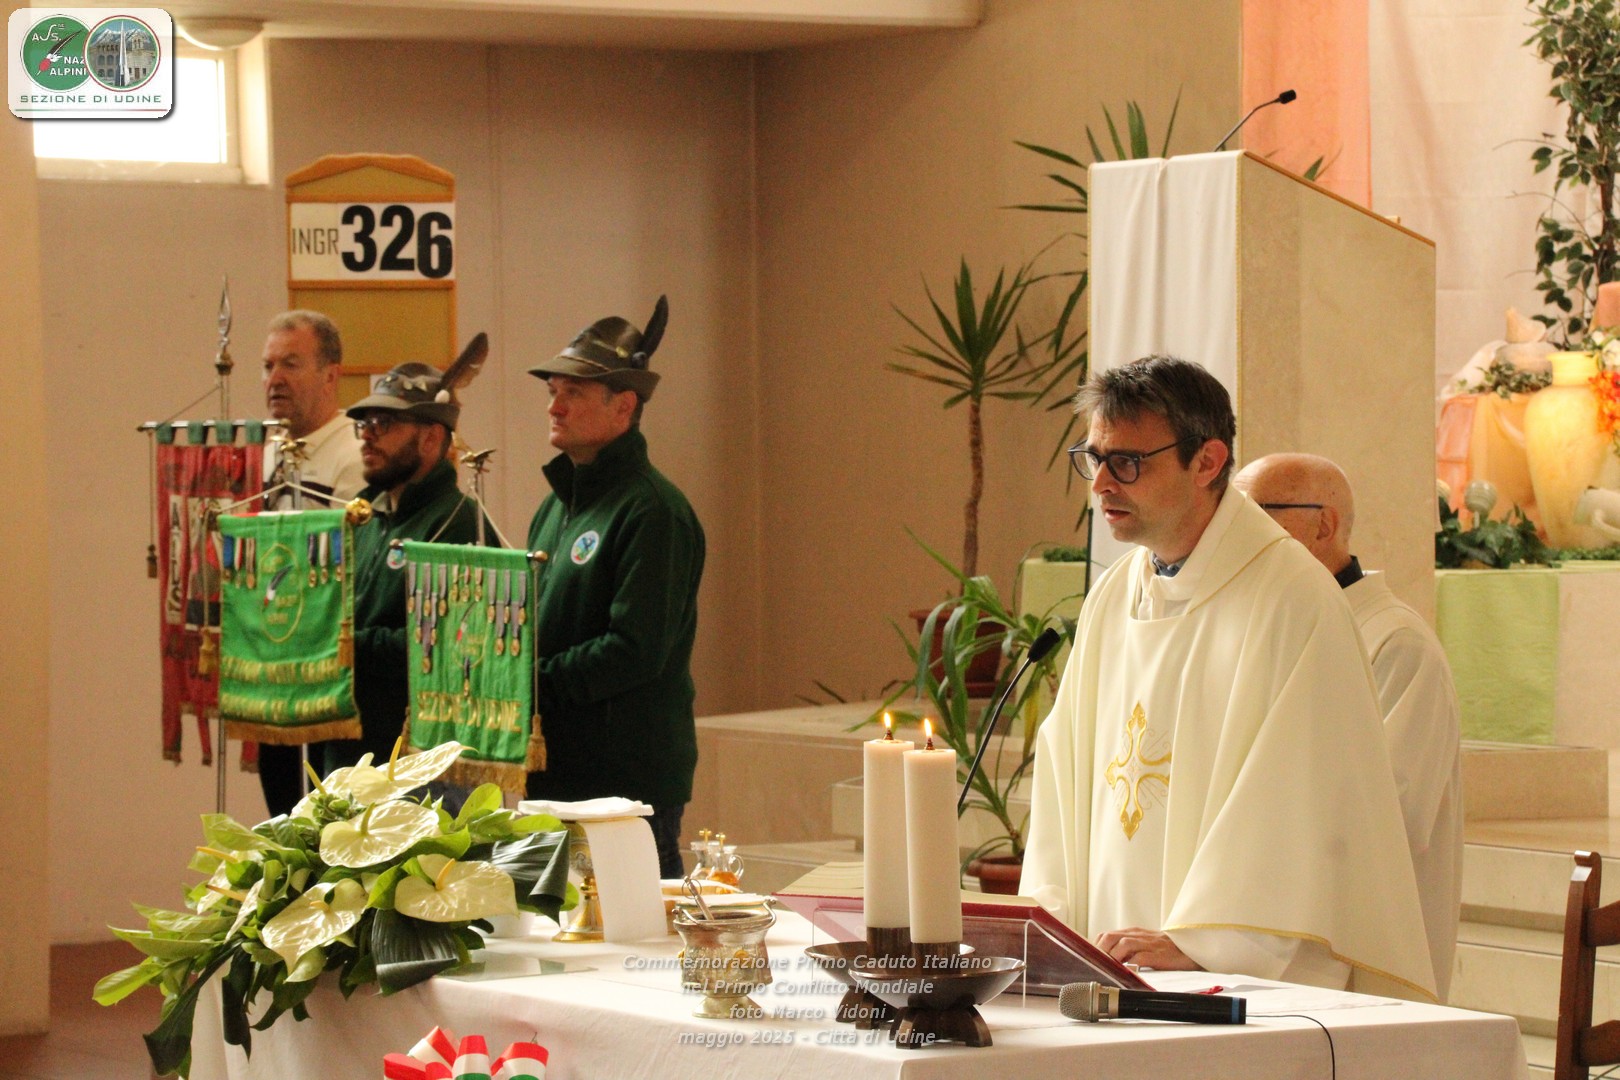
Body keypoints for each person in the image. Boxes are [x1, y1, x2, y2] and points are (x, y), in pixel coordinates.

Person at [1021, 355, 1437, 1000]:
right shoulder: (1114, 596)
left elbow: (1303, 802)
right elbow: (1064, 775)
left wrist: (1206, 943)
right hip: (1107, 965)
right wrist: (1050, 920)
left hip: (1230, 981)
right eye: (1093, 458)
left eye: (1126, 462)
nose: (1100, 483)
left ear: (1207, 462)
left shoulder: (1291, 596)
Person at [1234, 452, 1463, 1000]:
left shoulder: (1396, 645)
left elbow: (1387, 820)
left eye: (1253, 515)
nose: (1235, 537)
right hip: (1261, 939)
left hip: (1359, 956)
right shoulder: (1262, 633)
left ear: (1324, 525)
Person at [523, 296, 705, 880]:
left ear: (623, 405)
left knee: (633, 933)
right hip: (556, 772)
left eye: (573, 392)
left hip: (624, 786)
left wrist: (528, 682)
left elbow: (634, 651)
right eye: (553, 390)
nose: (554, 406)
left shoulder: (653, 510)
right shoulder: (556, 507)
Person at [324, 362, 484, 773]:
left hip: (417, 757)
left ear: (430, 437)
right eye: (364, 424)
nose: (367, 435)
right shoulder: (364, 517)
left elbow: (447, 644)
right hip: (347, 743)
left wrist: (345, 644)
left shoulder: (458, 521)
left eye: (385, 423)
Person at [258, 310, 365, 815]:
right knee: (282, 816)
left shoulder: (354, 454)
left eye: (291, 364)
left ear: (330, 374)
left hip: (329, 676)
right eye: (268, 366)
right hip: (275, 664)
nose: (274, 379)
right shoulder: (270, 451)